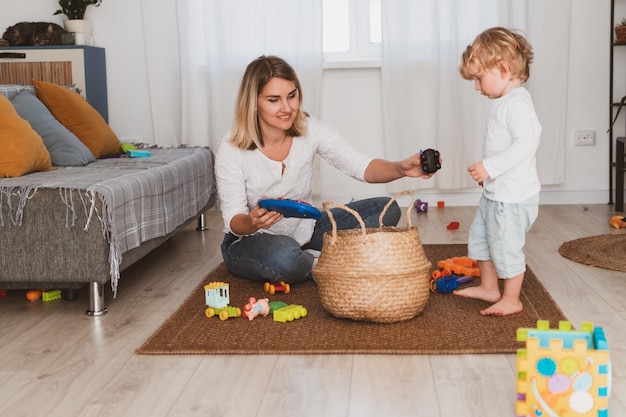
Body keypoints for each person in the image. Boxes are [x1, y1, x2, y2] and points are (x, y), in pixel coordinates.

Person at [215, 55, 438, 284]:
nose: (287, 108)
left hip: (307, 231)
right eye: (274, 100)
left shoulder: (310, 129)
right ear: (253, 103)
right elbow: (235, 220)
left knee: (385, 209)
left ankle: (314, 259)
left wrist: (401, 168)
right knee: (284, 255)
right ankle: (328, 260)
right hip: (251, 240)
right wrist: (253, 222)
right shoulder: (231, 149)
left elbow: (362, 167)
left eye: (292, 96)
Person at [454, 27, 541, 316]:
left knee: (505, 246)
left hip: (512, 199)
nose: (477, 87)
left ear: (503, 69)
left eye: (479, 78)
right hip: (497, 194)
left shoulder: (517, 104)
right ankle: (490, 288)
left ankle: (511, 298)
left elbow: (527, 143)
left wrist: (489, 167)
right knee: (480, 240)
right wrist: (490, 176)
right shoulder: (505, 102)